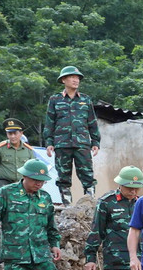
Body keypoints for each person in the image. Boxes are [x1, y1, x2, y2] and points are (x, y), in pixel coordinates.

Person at [43, 65, 101, 206]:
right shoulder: (55, 100)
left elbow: (92, 122)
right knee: (63, 176)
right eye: (72, 77)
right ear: (63, 80)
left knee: (87, 175)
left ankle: (89, 204)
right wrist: (49, 142)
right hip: (62, 144)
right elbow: (50, 123)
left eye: (77, 78)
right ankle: (67, 205)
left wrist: (95, 142)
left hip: (82, 144)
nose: (76, 80)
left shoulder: (86, 100)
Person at [0, 118, 37, 193]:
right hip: (4, 181)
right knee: (7, 196)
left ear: (21, 133)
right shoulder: (0, 148)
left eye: (15, 133)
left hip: (22, 182)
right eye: (10, 134)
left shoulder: (28, 150)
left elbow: (33, 168)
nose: (12, 136)